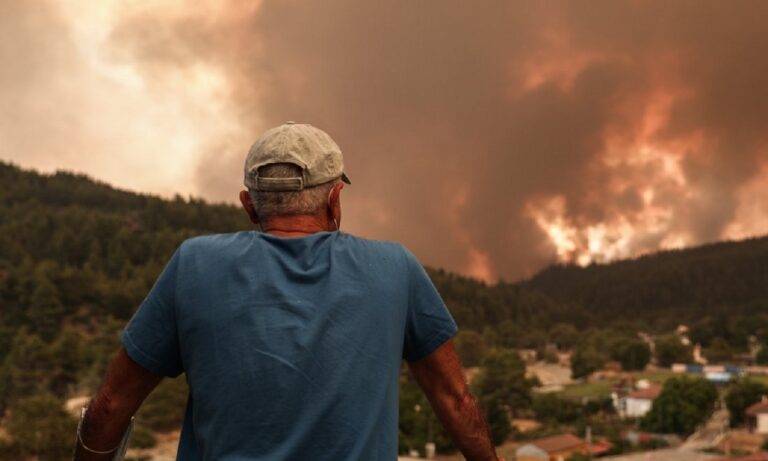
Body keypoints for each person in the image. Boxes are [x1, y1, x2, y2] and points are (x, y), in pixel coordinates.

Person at [73, 122, 503, 461]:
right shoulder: (395, 268)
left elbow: (110, 406)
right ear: (335, 200)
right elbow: (455, 400)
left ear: (249, 204)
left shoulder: (195, 264)